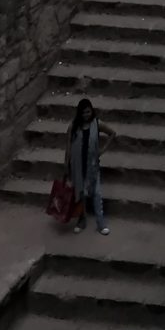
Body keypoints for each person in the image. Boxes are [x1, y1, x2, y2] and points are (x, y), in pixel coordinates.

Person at [66, 97, 115, 236]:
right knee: (80, 193)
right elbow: (68, 146)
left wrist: (102, 150)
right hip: (78, 165)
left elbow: (112, 133)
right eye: (83, 112)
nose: (86, 115)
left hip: (92, 165)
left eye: (88, 112)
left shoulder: (97, 124)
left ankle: (101, 223)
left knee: (97, 194)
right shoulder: (74, 126)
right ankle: (81, 220)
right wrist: (66, 164)